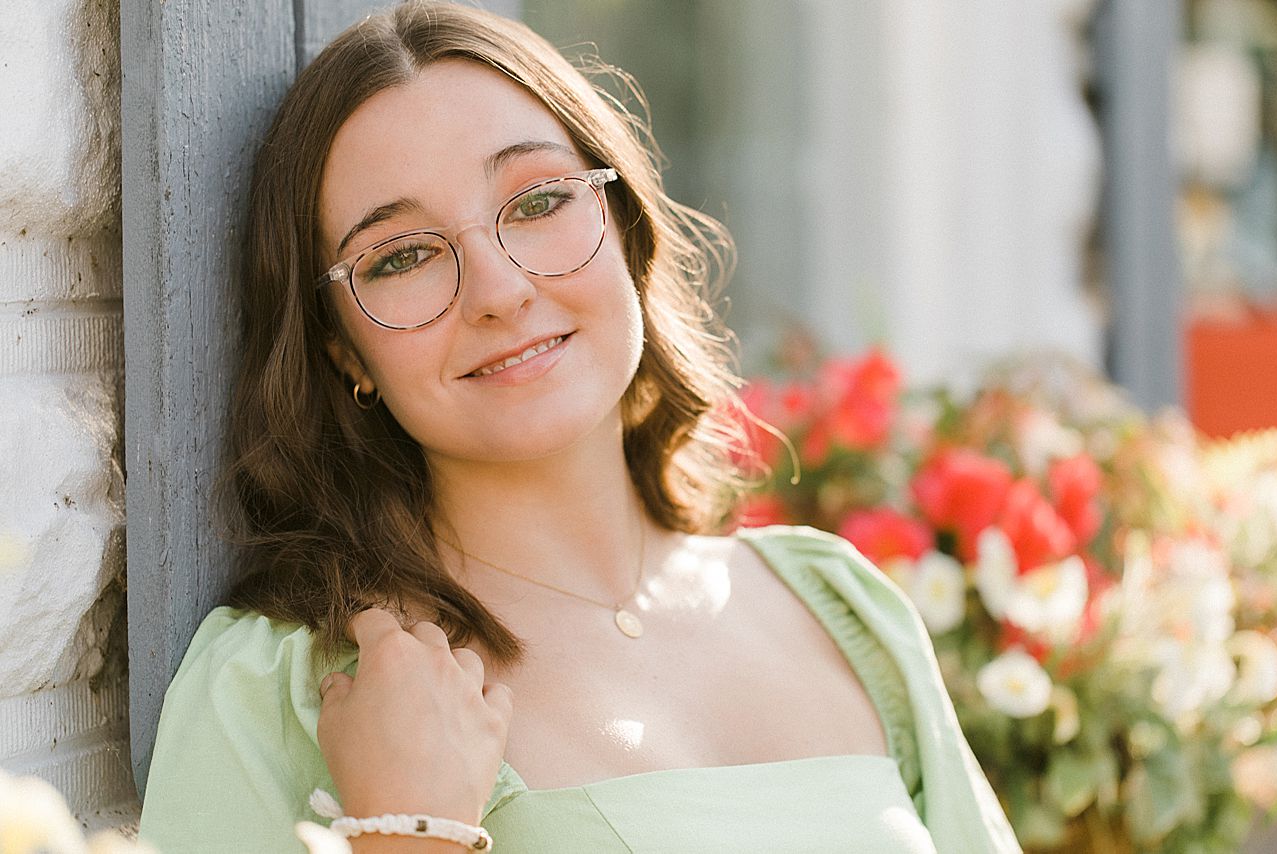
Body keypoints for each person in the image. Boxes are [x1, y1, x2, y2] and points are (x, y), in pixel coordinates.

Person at [137, 3, 1022, 852]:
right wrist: (408, 837)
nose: (500, 290)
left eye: (537, 203)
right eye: (401, 256)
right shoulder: (282, 689)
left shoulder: (841, 610)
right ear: (343, 352)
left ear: (624, 224)